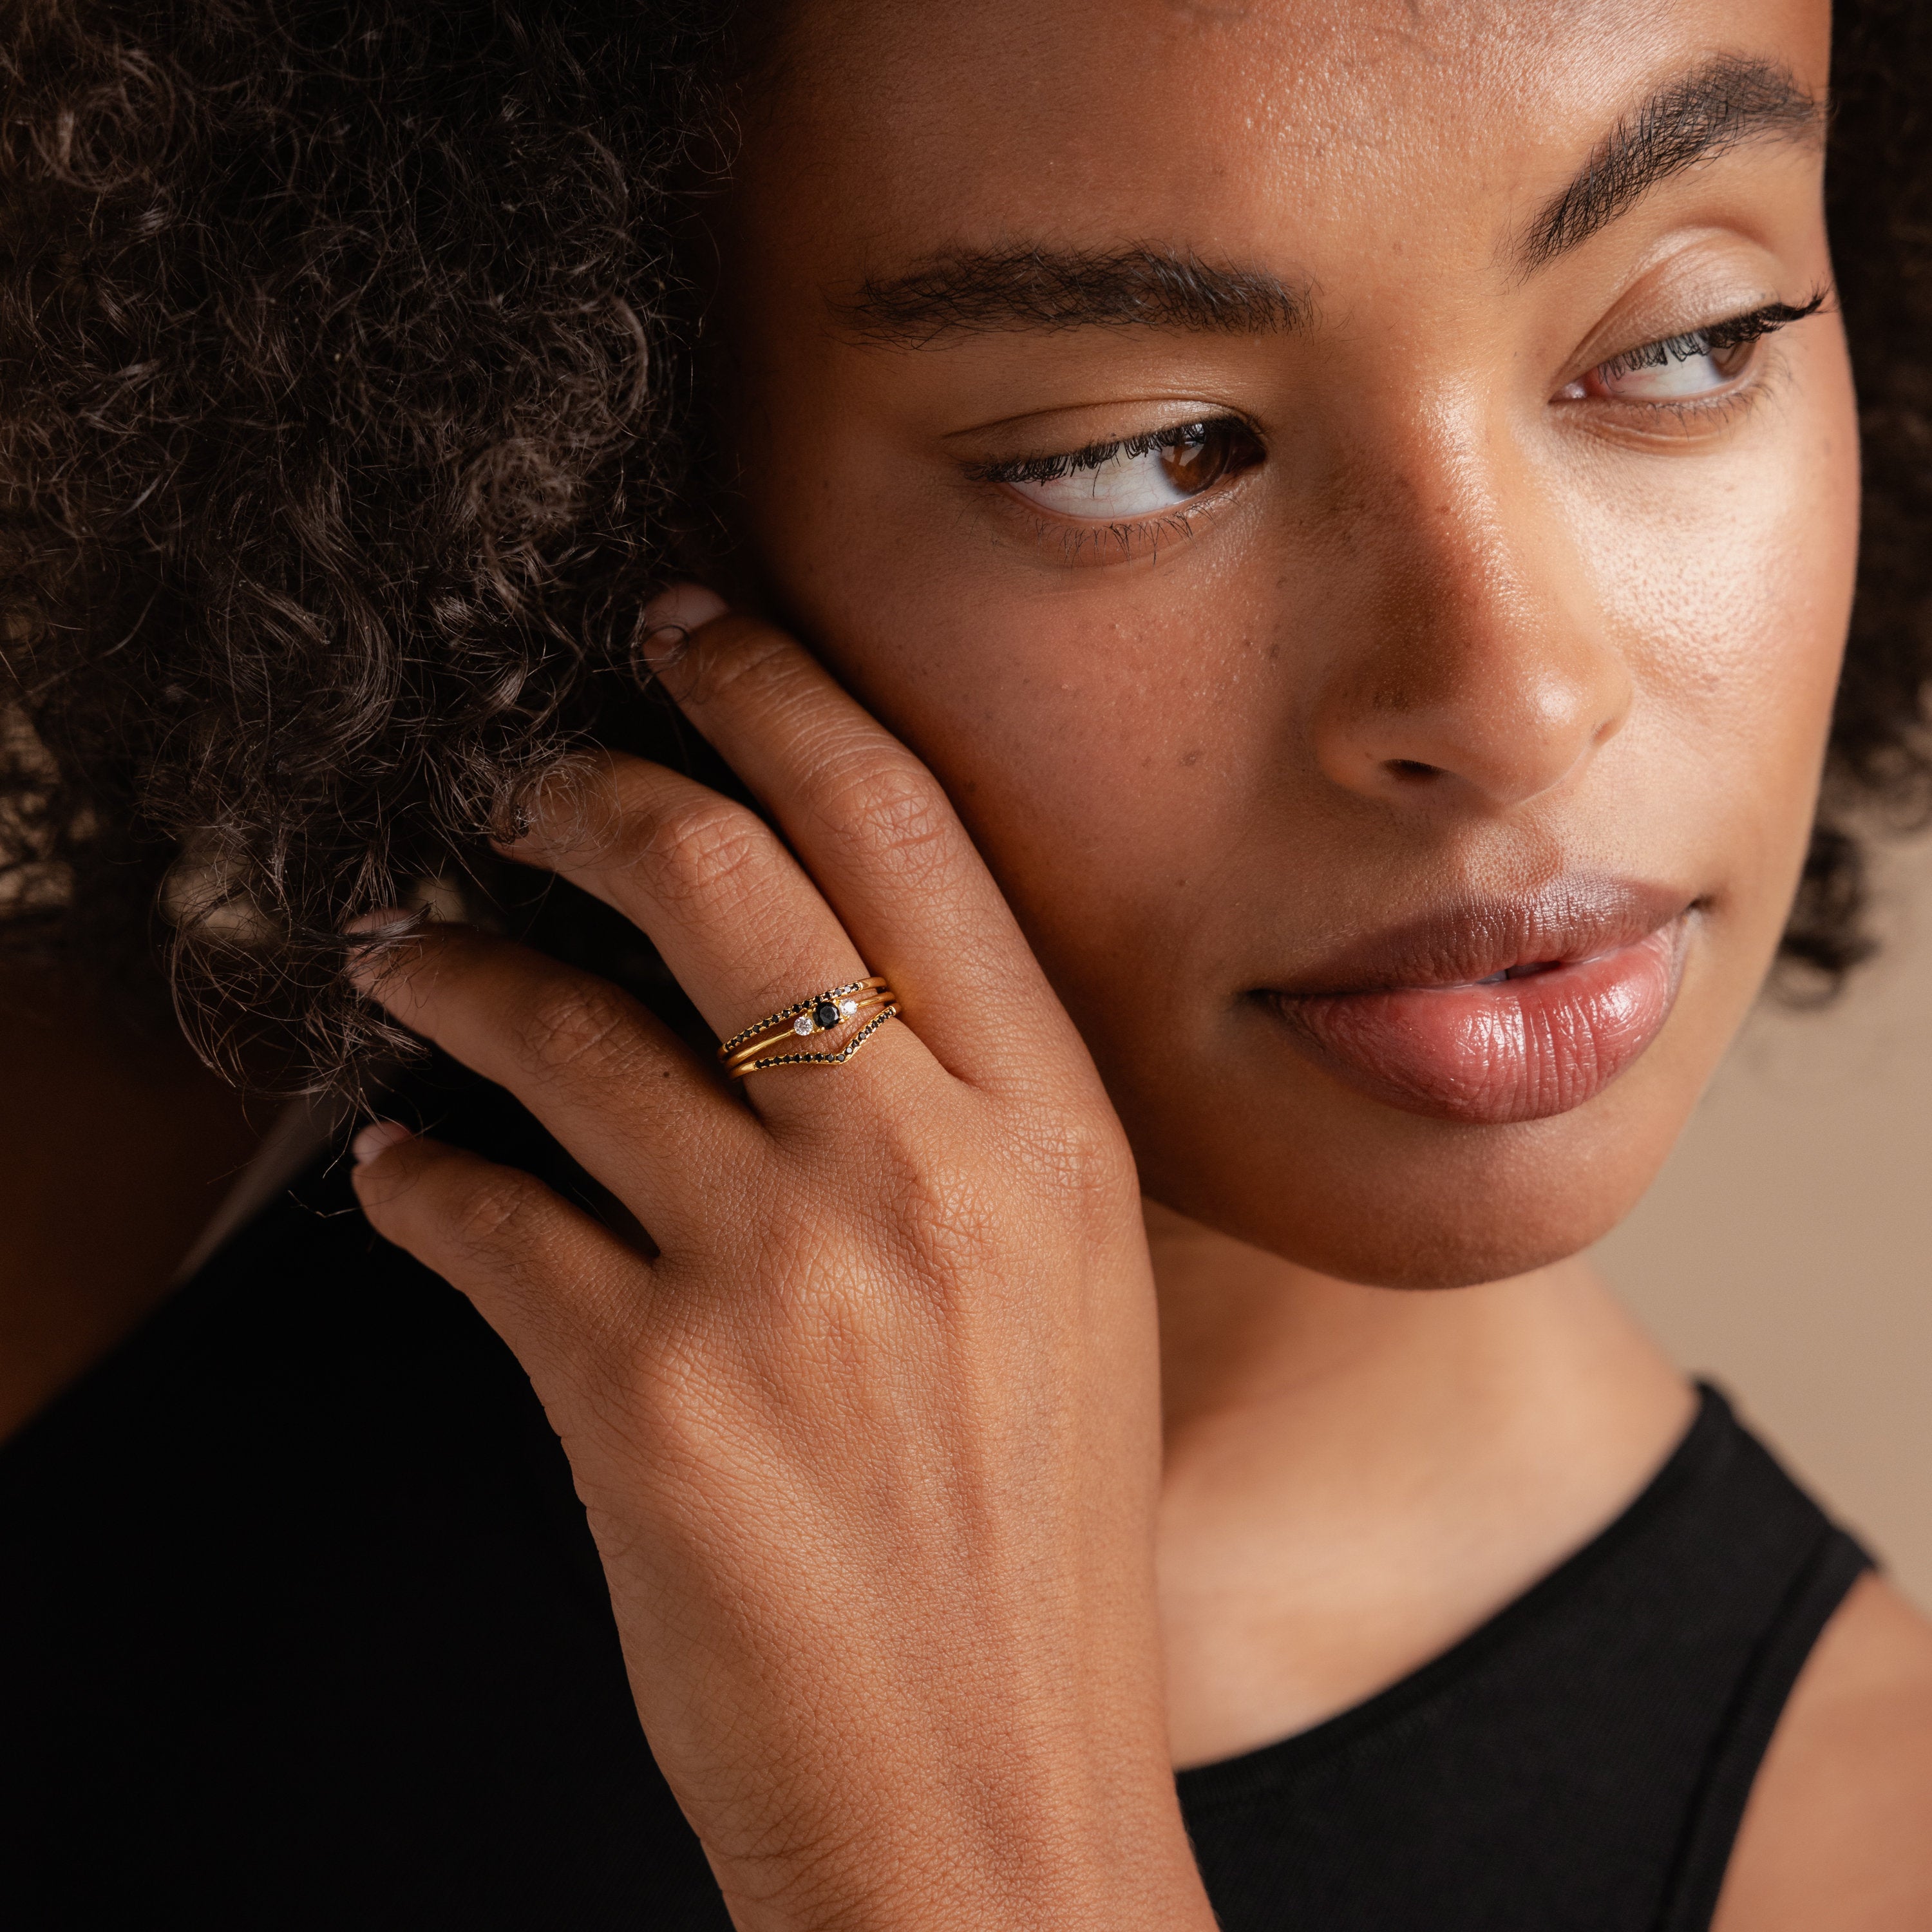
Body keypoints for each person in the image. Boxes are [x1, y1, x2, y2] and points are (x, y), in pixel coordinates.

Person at [3, 0, 1931, 1926]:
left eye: (1691, 340)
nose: (1512, 701)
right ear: (589, 478)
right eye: (1140, 453)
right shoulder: (98, 1207)